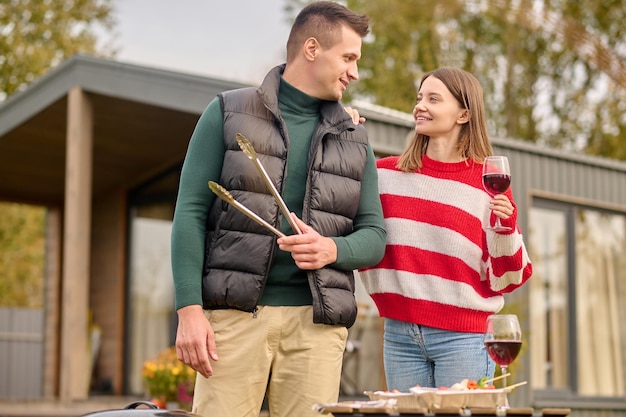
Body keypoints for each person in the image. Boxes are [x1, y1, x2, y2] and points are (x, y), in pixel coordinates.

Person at [170, 2, 386, 417]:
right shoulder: (227, 112)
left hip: (316, 329)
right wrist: (189, 310)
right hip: (232, 324)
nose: (354, 72)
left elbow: (374, 235)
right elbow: (191, 212)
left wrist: (332, 250)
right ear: (311, 49)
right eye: (348, 57)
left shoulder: (355, 138)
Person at [359, 67, 532, 392]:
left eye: (433, 99)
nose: (420, 106)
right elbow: (358, 231)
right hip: (399, 334)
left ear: (464, 113)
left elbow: (508, 278)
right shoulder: (385, 175)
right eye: (419, 97)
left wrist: (505, 227)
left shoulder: (487, 182)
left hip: (464, 339)